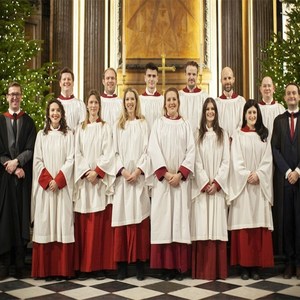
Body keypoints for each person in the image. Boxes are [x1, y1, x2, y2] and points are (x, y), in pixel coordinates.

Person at [148, 87, 195, 281]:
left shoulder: (186, 124)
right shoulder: (158, 124)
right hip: (164, 183)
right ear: (164, 103)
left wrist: (181, 174)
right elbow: (153, 148)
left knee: (179, 223)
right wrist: (166, 174)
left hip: (180, 183)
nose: (172, 103)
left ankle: (179, 267)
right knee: (164, 223)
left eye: (174, 99)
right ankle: (166, 267)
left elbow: (191, 151)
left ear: (178, 102)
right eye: (168, 100)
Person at [228, 100, 274, 280]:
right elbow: (235, 158)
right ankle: (244, 267)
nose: (252, 116)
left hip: (259, 186)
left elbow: (268, 160)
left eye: (255, 113)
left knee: (257, 226)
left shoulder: (264, 135)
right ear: (244, 115)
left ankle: (256, 266)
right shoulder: (238, 135)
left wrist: (260, 174)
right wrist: (247, 175)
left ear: (258, 114)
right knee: (245, 226)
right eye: (249, 113)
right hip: (244, 187)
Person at [73, 90, 116, 280]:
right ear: (86, 105)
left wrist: (97, 172)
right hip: (84, 183)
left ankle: (98, 266)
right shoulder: (79, 128)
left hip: (98, 183)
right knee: (84, 227)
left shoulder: (106, 127)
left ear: (99, 105)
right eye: (90, 102)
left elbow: (109, 152)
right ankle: (84, 267)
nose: (93, 106)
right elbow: (77, 153)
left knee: (99, 227)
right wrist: (86, 172)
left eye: (96, 103)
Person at [31, 99, 75, 280]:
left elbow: (71, 159)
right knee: (46, 223)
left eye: (58, 110)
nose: (55, 113)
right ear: (48, 113)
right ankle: (45, 270)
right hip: (47, 190)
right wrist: (49, 181)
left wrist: (58, 180)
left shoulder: (69, 135)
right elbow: (37, 161)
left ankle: (62, 270)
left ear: (62, 114)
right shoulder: (41, 135)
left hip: (61, 189)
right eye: (52, 110)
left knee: (62, 224)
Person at [112, 87, 150, 280]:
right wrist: (124, 171)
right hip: (123, 180)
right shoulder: (119, 126)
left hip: (138, 178)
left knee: (139, 223)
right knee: (122, 223)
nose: (129, 102)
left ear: (136, 101)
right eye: (127, 99)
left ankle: (140, 264)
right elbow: (114, 152)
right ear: (124, 102)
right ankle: (122, 265)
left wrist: (137, 171)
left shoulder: (143, 124)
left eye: (132, 99)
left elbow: (147, 150)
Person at [0, 82, 36, 280]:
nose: (15, 98)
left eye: (18, 94)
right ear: (6, 97)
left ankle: (21, 263)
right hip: (5, 179)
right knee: (5, 221)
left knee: (22, 219)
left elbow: (31, 148)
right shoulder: (0, 121)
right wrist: (9, 164)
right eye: (11, 94)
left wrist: (18, 163)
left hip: (22, 179)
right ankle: (5, 263)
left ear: (22, 97)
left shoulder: (28, 122)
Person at [191, 97, 230, 280]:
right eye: (207, 109)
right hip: (203, 189)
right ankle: (202, 270)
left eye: (213, 109)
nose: (210, 112)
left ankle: (218, 270)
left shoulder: (223, 134)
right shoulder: (197, 135)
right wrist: (205, 182)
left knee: (216, 226)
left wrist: (217, 183)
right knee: (202, 225)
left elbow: (226, 161)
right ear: (203, 112)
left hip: (217, 190)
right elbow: (196, 161)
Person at [271, 83, 300, 279]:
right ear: (284, 96)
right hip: (284, 180)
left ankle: (299, 262)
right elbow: (274, 149)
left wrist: (298, 170)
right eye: (288, 93)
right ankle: (290, 262)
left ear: (299, 96)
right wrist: (288, 171)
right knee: (287, 221)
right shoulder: (278, 120)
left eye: (294, 93)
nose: (291, 96)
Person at [179, 60, 209, 136]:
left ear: (197, 75)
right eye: (189, 74)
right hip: (183, 135)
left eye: (194, 74)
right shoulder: (179, 96)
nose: (191, 77)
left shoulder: (204, 96)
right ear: (185, 75)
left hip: (199, 136)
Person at [215, 67, 246, 138]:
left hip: (238, 140)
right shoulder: (217, 102)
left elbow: (242, 122)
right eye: (225, 79)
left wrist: (233, 137)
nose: (227, 81)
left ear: (233, 79)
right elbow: (216, 124)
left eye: (229, 78)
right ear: (221, 81)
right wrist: (225, 138)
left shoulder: (241, 101)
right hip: (222, 140)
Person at [57, 67, 86, 131]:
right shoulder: (55, 104)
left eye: (69, 79)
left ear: (73, 83)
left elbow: (83, 128)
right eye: (64, 79)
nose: (66, 81)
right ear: (60, 83)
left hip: (75, 139)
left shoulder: (80, 104)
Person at [139, 62, 164, 130]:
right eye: (149, 76)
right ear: (145, 78)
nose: (151, 79)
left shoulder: (162, 100)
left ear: (157, 79)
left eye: (154, 76)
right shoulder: (139, 100)